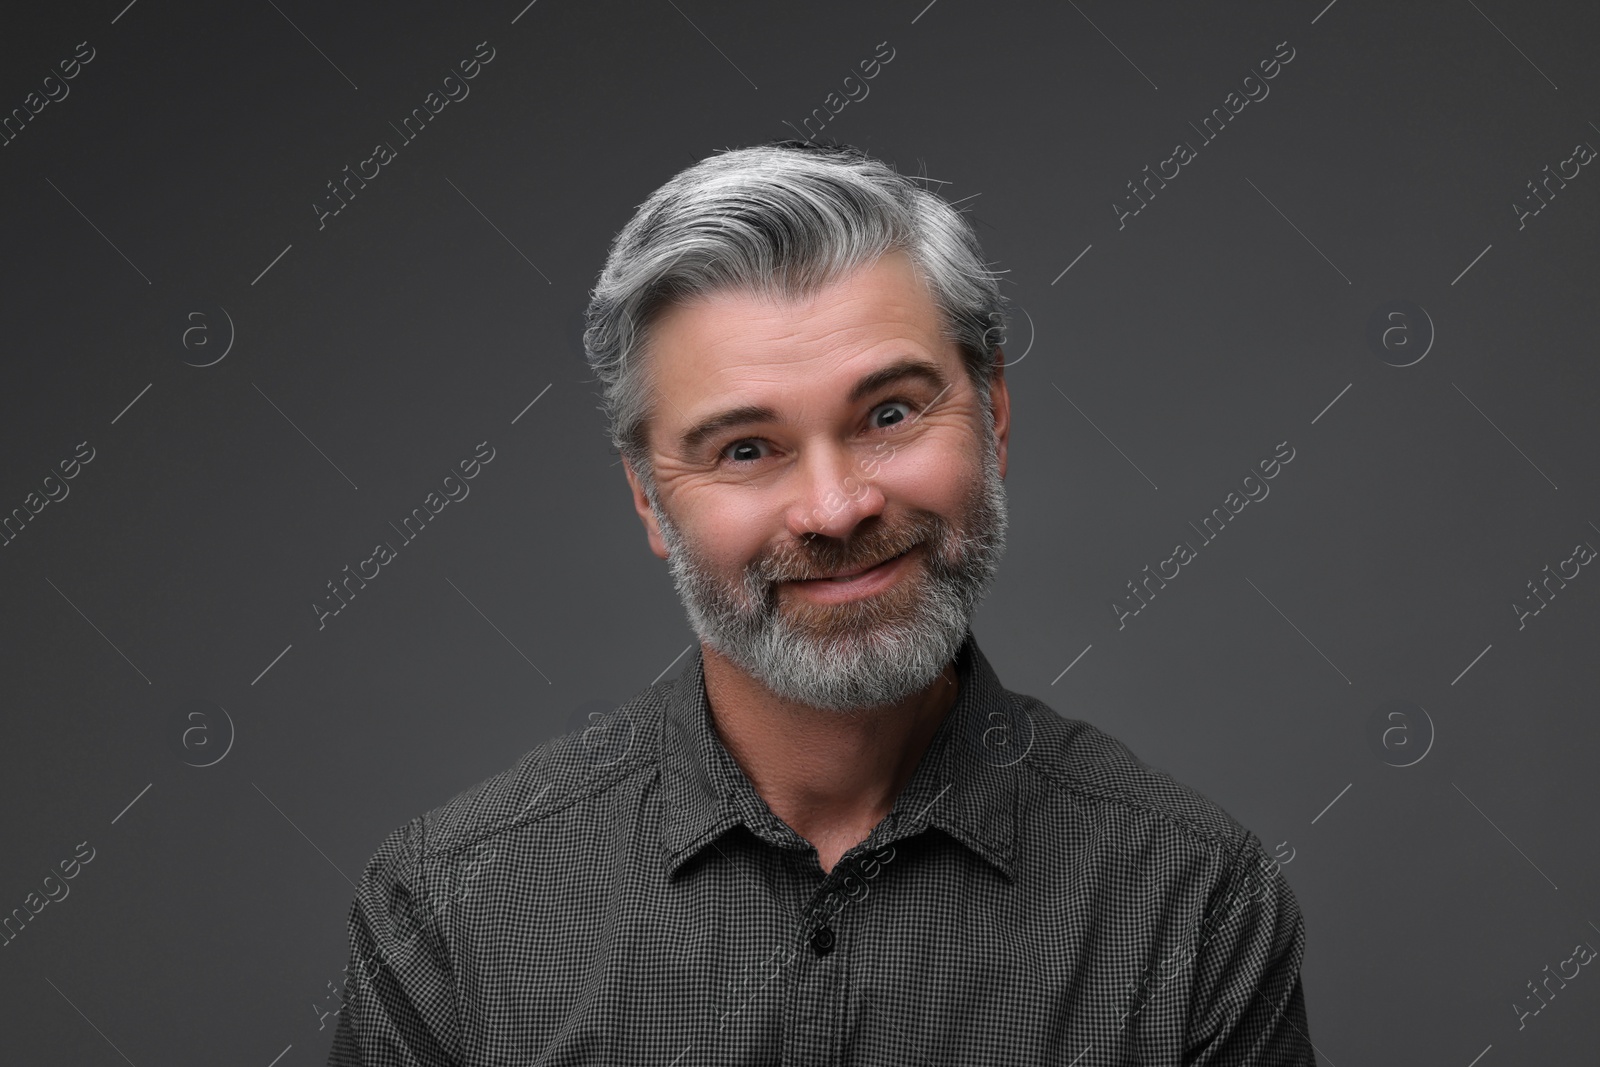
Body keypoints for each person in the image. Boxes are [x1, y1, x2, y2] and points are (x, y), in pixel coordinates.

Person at [328, 140, 1313, 1065]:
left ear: (993, 415)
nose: (837, 508)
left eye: (889, 413)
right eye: (745, 448)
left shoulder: (1194, 901)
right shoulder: (448, 913)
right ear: (648, 497)